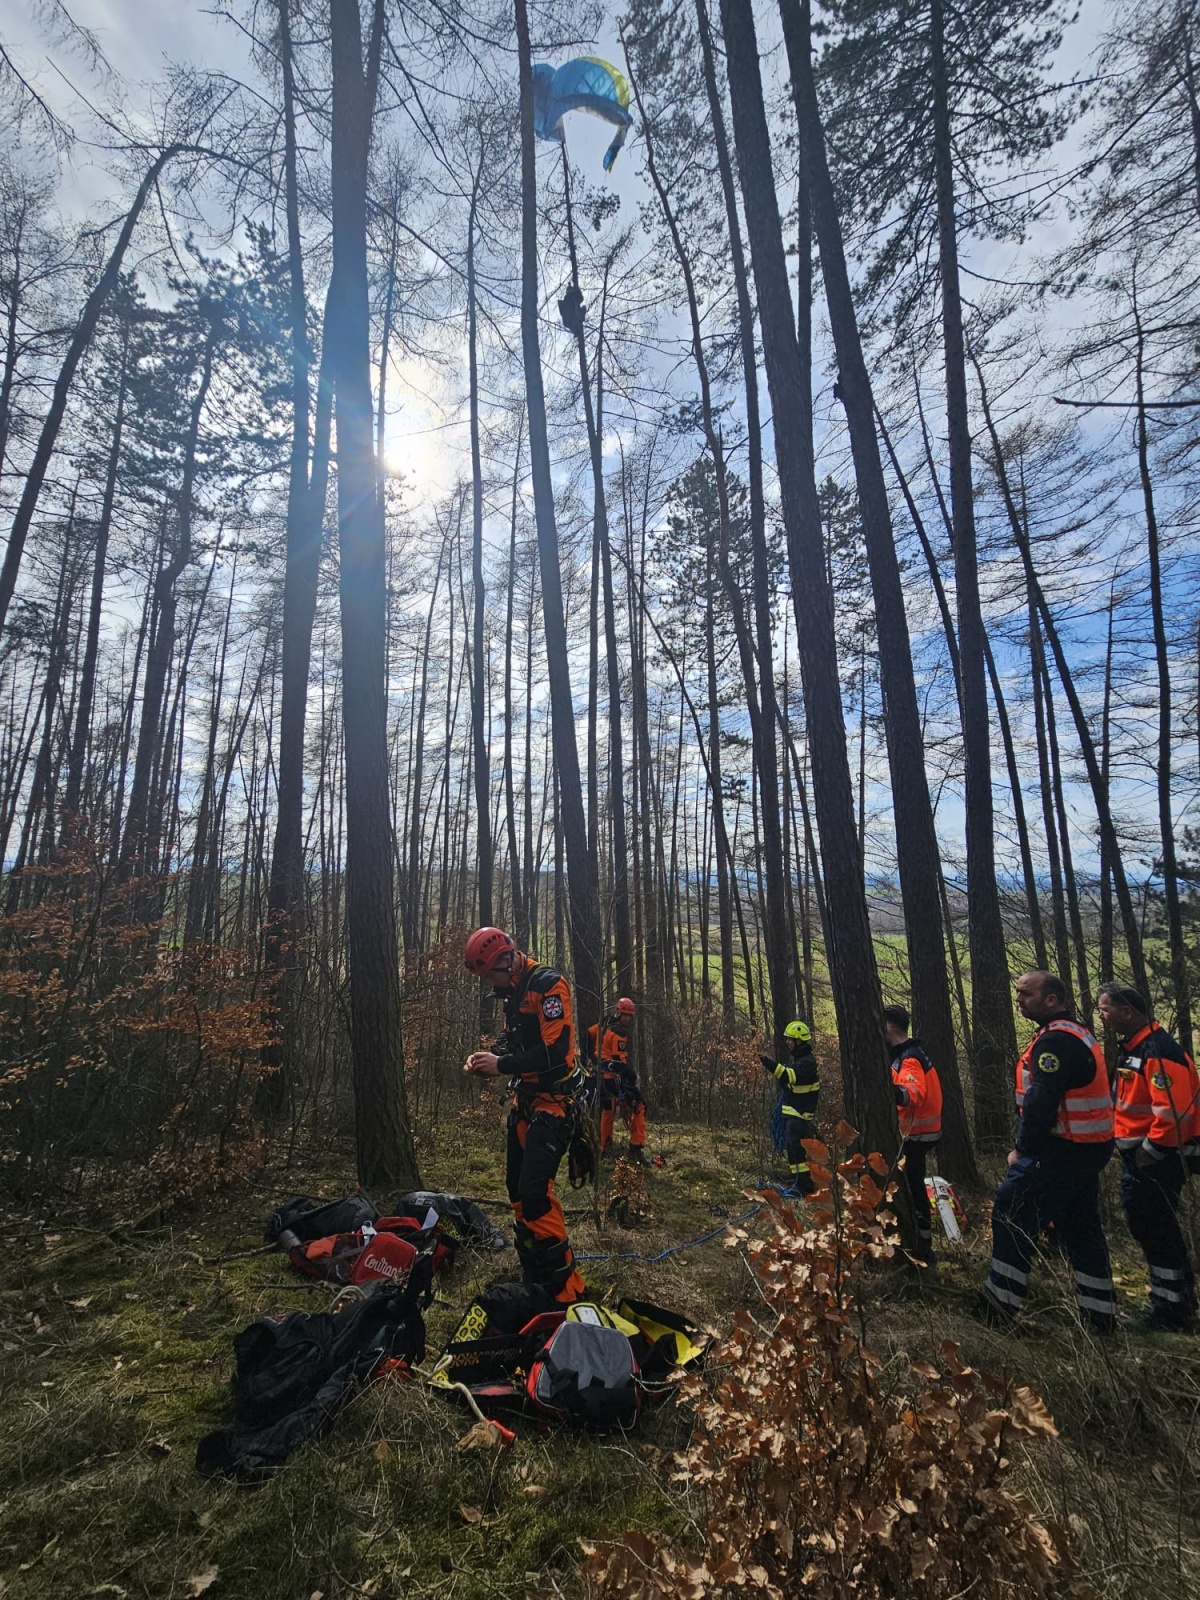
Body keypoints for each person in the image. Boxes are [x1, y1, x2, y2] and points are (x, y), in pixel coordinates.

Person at [982, 971, 1117, 1333]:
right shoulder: (1076, 1033)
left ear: (1051, 1000)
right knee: (1082, 1228)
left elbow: (1041, 1104)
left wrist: (1021, 1151)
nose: (1019, 999)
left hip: (1059, 1151)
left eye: (1026, 994)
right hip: (1086, 1151)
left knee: (1011, 1215)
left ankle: (998, 1312)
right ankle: (1099, 1316)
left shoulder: (1056, 1042)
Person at [463, 926, 586, 1304]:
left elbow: (555, 1049)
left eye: (489, 974)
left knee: (535, 1192)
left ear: (505, 960)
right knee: (516, 1188)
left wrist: (502, 1065)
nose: (488, 982)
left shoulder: (548, 985)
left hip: (555, 1102)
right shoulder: (510, 991)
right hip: (526, 1101)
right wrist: (490, 1056)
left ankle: (565, 1288)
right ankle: (533, 1270)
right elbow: (517, 1040)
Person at [1097, 983, 1199, 1331]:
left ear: (1128, 1011)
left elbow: (1174, 1116)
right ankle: (1170, 1299)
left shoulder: (1158, 1051)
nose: (1102, 1015)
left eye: (1106, 1008)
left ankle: (1172, 1311)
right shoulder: (1135, 1049)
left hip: (1158, 1161)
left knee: (1156, 1229)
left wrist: (1148, 1153)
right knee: (1150, 1228)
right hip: (1143, 1159)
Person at [884, 1004, 943, 1264]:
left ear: (889, 1026)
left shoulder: (909, 1058)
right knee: (911, 1187)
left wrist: (886, 1089)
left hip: (917, 1135)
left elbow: (913, 1094)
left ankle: (922, 1245)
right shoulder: (904, 1054)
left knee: (913, 1188)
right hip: (914, 1133)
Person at [761, 1020, 819, 1198]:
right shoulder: (800, 1059)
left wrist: (768, 1063)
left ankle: (803, 1185)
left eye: (790, 1040)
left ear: (799, 1041)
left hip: (799, 1116)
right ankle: (797, 1180)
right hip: (794, 1114)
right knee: (792, 1148)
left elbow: (788, 1076)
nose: (787, 1043)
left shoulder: (806, 1063)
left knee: (796, 1150)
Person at [588, 997, 645, 1163]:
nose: (627, 1018)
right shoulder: (620, 1032)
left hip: (600, 1077)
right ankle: (636, 1147)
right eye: (624, 1014)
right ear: (618, 1013)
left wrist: (591, 1058)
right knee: (639, 1106)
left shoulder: (603, 1025)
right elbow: (619, 1062)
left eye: (629, 1015)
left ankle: (605, 1147)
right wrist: (631, 1076)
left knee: (608, 1110)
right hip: (613, 1079)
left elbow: (588, 1035)